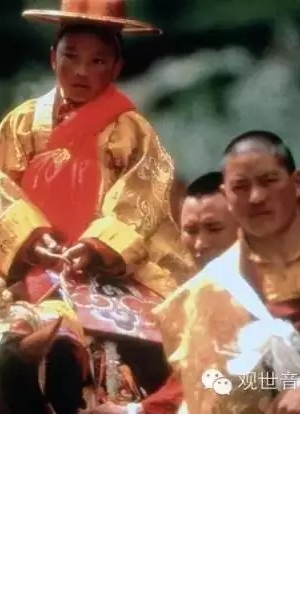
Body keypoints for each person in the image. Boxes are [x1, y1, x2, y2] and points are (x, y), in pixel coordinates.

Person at [0, 0, 195, 327]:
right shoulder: (21, 122)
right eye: (71, 56)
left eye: (97, 61)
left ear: (116, 68)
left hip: (109, 263)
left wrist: (98, 246)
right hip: (32, 256)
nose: (82, 71)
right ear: (53, 58)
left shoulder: (133, 130)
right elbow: (2, 188)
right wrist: (33, 240)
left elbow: (143, 199)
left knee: (155, 331)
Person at [151, 131, 300, 414]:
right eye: (240, 187)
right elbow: (207, 397)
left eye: (269, 181)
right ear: (226, 195)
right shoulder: (206, 293)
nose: (256, 197)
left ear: (296, 183)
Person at [86, 170, 240, 413]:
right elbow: (187, 379)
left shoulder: (271, 284)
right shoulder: (194, 296)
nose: (200, 244)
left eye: (214, 228)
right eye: (190, 231)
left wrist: (135, 413)